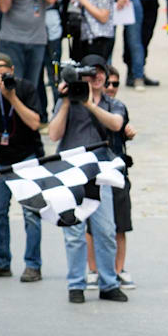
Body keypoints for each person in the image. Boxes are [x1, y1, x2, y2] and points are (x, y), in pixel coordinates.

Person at [48, 54, 127, 303]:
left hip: (100, 173)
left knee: (105, 231)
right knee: (73, 232)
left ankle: (109, 283)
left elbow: (116, 124)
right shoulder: (67, 101)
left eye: (100, 72)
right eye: (90, 73)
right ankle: (76, 285)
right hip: (71, 173)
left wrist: (89, 103)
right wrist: (67, 101)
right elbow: (53, 134)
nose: (96, 77)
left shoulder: (112, 103)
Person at [0, 52, 44, 282]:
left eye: (5, 72)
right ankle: (2, 261)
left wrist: (12, 97)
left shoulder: (25, 88)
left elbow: (36, 123)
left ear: (13, 71)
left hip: (26, 158)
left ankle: (33, 264)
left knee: (31, 214)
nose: (2, 75)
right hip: (1, 160)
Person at [86, 66, 136, 289]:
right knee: (91, 227)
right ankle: (94, 270)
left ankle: (118, 270)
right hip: (93, 173)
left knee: (120, 225)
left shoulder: (117, 106)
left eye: (116, 84)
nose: (112, 88)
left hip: (116, 172)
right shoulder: (86, 105)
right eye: (109, 84)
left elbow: (120, 123)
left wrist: (129, 131)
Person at [0, 0, 60, 89]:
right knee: (12, 87)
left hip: (37, 40)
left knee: (30, 89)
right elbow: (4, 7)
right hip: (12, 39)